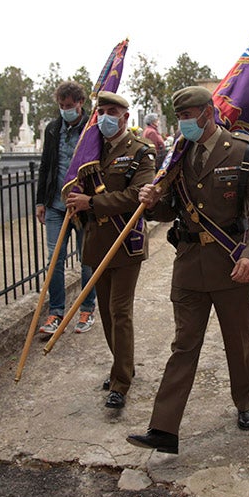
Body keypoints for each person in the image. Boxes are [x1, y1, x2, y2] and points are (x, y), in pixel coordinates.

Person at [127, 86, 249, 455]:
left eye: (190, 115)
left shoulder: (244, 152)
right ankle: (163, 428)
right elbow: (169, 211)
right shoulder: (178, 156)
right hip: (189, 265)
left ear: (209, 113)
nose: (185, 123)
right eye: (180, 117)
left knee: (238, 343)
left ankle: (245, 402)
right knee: (183, 345)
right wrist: (150, 202)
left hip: (231, 265)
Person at [65, 91, 155, 410]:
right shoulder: (90, 151)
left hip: (125, 241)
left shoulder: (141, 152)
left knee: (120, 312)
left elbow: (136, 196)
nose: (105, 116)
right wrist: (77, 203)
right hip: (97, 241)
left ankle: (120, 382)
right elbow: (80, 188)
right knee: (105, 312)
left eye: (112, 111)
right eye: (101, 111)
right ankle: (122, 365)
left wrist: (93, 202)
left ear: (125, 116)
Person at [34, 81, 97, 337]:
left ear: (80, 103)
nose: (65, 110)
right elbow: (45, 165)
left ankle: (87, 308)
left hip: (82, 206)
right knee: (54, 261)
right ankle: (56, 312)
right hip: (55, 207)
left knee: (86, 261)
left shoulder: (92, 129)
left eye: (69, 106)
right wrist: (41, 201)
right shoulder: (53, 129)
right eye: (61, 106)